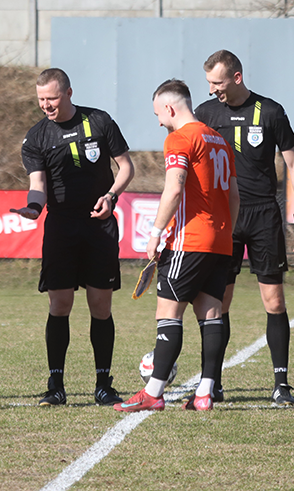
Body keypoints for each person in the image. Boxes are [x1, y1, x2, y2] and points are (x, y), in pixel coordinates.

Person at [194, 49, 294, 407]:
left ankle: (281, 384)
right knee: (218, 302)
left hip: (263, 215)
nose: (213, 90)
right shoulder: (205, 113)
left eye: (218, 83)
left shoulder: (271, 112)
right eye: (209, 83)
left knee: (274, 301)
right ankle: (211, 382)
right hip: (222, 217)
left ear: (237, 77)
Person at [12, 68, 135, 407]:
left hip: (100, 225)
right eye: (40, 99)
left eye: (51, 98)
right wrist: (33, 209)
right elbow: (38, 185)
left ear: (68, 93)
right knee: (60, 305)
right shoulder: (36, 136)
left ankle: (103, 384)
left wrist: (110, 196)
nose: (46, 105)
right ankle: (55, 385)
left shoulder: (99, 121)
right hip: (61, 227)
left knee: (100, 306)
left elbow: (126, 167)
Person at [115, 79, 238, 412]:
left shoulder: (180, 138)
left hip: (189, 239)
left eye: (158, 113)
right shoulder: (219, 140)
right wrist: (225, 230)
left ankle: (153, 393)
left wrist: (155, 232)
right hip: (221, 240)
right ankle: (204, 394)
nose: (158, 121)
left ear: (170, 108)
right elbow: (234, 195)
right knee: (211, 314)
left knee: (168, 313)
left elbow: (174, 188)